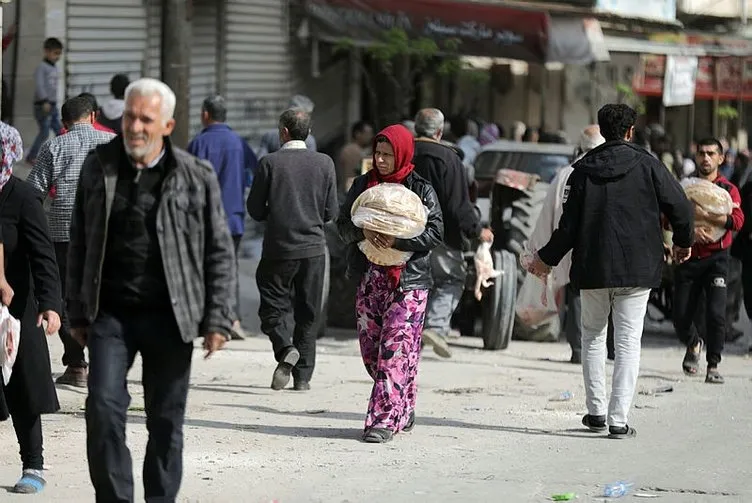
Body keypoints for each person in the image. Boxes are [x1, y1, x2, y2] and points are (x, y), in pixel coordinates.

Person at [67, 78, 236, 502]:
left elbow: (218, 248)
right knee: (103, 410)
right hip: (111, 316)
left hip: (171, 315)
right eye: (129, 116)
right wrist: (77, 312)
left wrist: (217, 317)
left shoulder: (195, 175)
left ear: (168, 125)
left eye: (146, 119)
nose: (135, 127)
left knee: (165, 421)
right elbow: (79, 240)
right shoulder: (97, 165)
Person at [528, 104, 694, 439]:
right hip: (638, 269)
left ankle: (596, 412)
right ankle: (619, 420)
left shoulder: (582, 170)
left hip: (593, 268)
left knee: (592, 337)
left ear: (603, 131)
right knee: (629, 341)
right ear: (631, 130)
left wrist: (546, 258)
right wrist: (682, 242)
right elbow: (680, 206)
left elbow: (568, 227)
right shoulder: (649, 165)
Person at [336, 124, 443, 443]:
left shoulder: (421, 189)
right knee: (373, 353)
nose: (381, 160)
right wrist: (362, 233)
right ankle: (403, 403)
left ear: (402, 155)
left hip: (408, 283)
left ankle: (382, 420)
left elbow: (436, 232)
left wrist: (399, 241)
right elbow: (342, 226)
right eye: (377, 154)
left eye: (387, 155)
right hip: (370, 280)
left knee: (394, 350)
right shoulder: (362, 186)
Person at [27, 95, 115, 388]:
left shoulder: (53, 146)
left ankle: (77, 365)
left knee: (63, 296)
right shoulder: (115, 144)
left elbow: (33, 195)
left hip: (62, 234)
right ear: (93, 116)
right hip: (106, 235)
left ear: (64, 123)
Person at [247, 108, 337, 392]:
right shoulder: (324, 163)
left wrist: (274, 215)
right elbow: (330, 211)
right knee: (308, 313)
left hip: (278, 249)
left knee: (272, 308)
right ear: (308, 133)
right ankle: (302, 378)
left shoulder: (269, 163)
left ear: (283, 131)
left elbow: (254, 209)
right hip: (313, 250)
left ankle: (285, 348)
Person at [0, 121, 62, 494]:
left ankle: (33, 464)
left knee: (23, 388)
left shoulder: (22, 198)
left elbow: (43, 256)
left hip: (18, 308)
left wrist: (51, 304)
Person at [412, 108, 492, 359]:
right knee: (449, 280)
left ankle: (411, 331)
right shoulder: (449, 159)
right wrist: (477, 231)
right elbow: (459, 204)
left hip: (405, 233)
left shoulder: (404, 152)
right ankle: (436, 326)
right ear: (439, 131)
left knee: (413, 283)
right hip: (441, 235)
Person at [526, 125, 605, 364]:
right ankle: (604, 350)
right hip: (601, 249)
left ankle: (580, 350)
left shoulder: (566, 173)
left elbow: (547, 217)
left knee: (578, 297)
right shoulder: (607, 170)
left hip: (569, 249)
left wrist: (541, 253)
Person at [188, 94, 258, 340]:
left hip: (203, 220)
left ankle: (208, 320)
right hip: (233, 219)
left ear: (205, 114)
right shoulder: (238, 142)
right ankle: (233, 319)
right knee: (230, 268)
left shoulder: (198, 143)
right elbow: (256, 170)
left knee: (203, 268)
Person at [674, 138, 744, 384]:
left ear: (720, 158)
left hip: (717, 259)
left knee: (716, 314)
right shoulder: (685, 188)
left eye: (711, 154)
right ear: (696, 156)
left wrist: (707, 216)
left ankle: (713, 364)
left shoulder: (728, 189)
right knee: (680, 316)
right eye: (702, 153)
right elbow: (667, 218)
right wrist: (691, 231)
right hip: (689, 256)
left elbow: (736, 221)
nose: (706, 158)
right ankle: (694, 343)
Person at [26, 38, 64, 164]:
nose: (57, 56)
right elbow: (40, 85)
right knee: (44, 132)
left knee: (60, 130)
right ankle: (31, 156)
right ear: (46, 51)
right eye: (55, 53)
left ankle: (63, 154)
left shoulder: (53, 67)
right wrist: (44, 101)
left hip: (52, 105)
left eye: (59, 53)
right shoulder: (42, 68)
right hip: (43, 105)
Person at [337, 120, 373, 193]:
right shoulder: (351, 151)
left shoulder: (348, 149)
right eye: (368, 134)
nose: (370, 136)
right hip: (351, 191)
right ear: (358, 134)